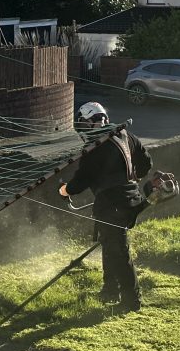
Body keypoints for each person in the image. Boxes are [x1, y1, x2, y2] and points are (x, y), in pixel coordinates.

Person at [60, 101, 151, 311]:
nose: (82, 131)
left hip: (112, 205)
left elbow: (80, 181)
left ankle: (131, 301)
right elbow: (146, 165)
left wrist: (64, 190)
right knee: (110, 245)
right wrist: (128, 180)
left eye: (83, 125)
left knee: (118, 251)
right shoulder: (129, 137)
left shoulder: (94, 148)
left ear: (92, 123)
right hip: (132, 200)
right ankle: (110, 289)